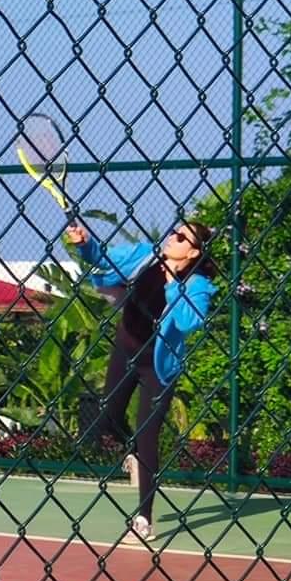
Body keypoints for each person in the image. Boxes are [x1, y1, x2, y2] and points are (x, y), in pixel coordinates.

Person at [65, 218, 218, 545]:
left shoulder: (197, 285)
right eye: (174, 231)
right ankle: (132, 450)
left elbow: (190, 321)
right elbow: (105, 259)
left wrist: (173, 282)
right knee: (108, 420)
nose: (172, 237)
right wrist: (85, 244)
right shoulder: (146, 256)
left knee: (148, 435)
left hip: (157, 367)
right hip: (126, 350)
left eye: (180, 237)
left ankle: (144, 518)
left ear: (193, 253)